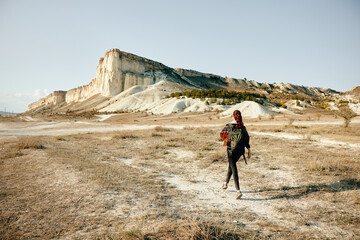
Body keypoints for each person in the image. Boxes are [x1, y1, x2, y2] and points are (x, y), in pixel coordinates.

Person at [220, 110, 251, 199]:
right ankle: (225, 183)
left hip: (230, 150)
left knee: (233, 168)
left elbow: (222, 135)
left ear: (233, 117)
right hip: (240, 150)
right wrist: (248, 150)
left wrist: (228, 137)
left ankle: (238, 191)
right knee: (231, 165)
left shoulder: (228, 126)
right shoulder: (242, 127)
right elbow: (246, 139)